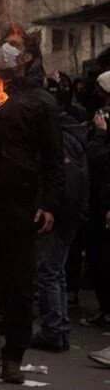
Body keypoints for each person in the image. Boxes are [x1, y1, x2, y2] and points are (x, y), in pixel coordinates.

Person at [0, 29, 64, 383]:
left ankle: (13, 356)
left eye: (15, 44)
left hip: (20, 202)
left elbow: (54, 158)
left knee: (18, 282)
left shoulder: (42, 102)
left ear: (27, 57)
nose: (6, 48)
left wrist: (49, 205)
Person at [32, 102, 88, 351]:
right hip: (71, 214)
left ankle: (53, 331)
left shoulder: (61, 140)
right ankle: (60, 329)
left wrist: (51, 208)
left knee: (49, 273)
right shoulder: (73, 137)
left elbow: (66, 180)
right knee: (57, 272)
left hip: (60, 214)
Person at [81, 72, 110, 330]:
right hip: (97, 200)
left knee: (102, 259)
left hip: (104, 203)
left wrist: (99, 135)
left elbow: (96, 157)